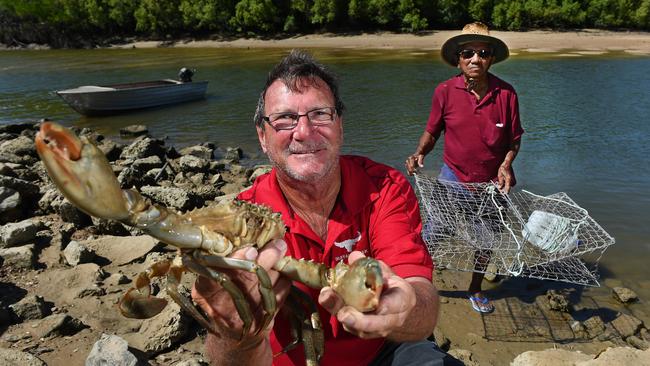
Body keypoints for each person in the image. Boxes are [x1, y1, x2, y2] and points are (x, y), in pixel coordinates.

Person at [192, 49, 449, 366]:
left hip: (385, 350)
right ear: (262, 136)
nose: (303, 131)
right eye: (284, 118)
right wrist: (232, 330)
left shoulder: (385, 187)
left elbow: (420, 296)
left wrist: (403, 309)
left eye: (320, 114)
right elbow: (229, 361)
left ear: (340, 125)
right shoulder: (243, 220)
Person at [405, 22, 524, 314]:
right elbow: (432, 131)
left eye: (483, 53)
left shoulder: (507, 94)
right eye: (468, 52)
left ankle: (475, 288)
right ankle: (416, 280)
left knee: (486, 240)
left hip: (491, 186)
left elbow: (514, 140)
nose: (475, 59)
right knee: (434, 231)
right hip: (453, 176)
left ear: (491, 58)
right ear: (458, 59)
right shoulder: (445, 91)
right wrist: (420, 152)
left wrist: (506, 164)